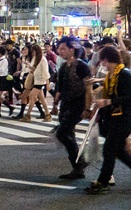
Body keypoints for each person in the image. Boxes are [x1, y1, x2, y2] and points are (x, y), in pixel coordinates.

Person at [84, 45, 131, 195]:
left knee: (109, 149)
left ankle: (103, 182)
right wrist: (100, 109)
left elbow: (128, 97)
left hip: (125, 119)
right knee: (119, 151)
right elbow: (109, 97)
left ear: (108, 59)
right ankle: (103, 181)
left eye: (103, 60)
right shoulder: (111, 77)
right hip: (114, 119)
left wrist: (108, 102)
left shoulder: (124, 75)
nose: (102, 64)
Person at [53, 37, 92, 180]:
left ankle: (79, 161)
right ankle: (77, 169)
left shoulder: (81, 65)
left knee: (61, 133)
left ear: (72, 49)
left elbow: (88, 88)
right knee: (69, 134)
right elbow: (60, 87)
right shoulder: (63, 66)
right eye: (59, 49)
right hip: (65, 105)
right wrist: (55, 105)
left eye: (63, 48)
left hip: (77, 104)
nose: (60, 51)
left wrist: (87, 108)